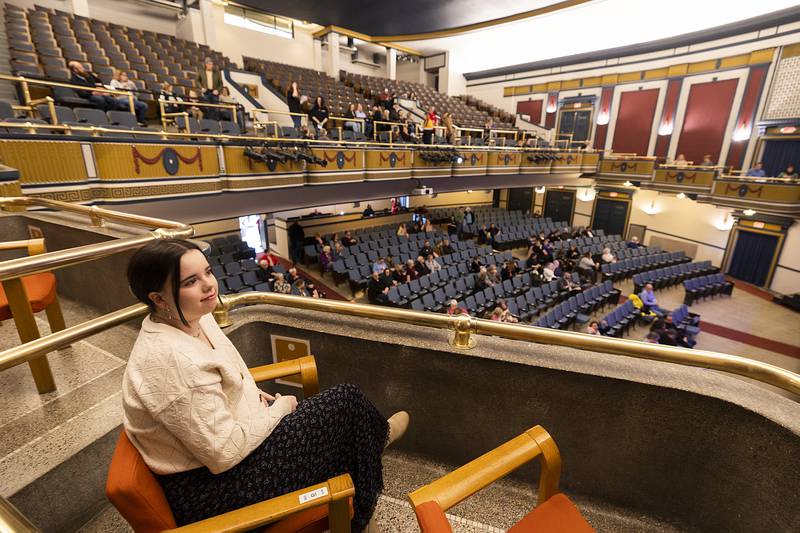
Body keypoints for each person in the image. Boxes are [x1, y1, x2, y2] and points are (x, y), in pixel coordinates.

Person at [123, 239, 406, 531]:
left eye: (207, 272)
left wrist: (252, 395)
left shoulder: (194, 316)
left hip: (231, 452)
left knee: (346, 419)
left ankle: (369, 447)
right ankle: (374, 443)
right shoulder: (172, 362)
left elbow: (227, 379)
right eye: (191, 281)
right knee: (346, 403)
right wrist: (279, 409)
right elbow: (223, 453)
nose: (209, 285)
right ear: (159, 299)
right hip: (217, 490)